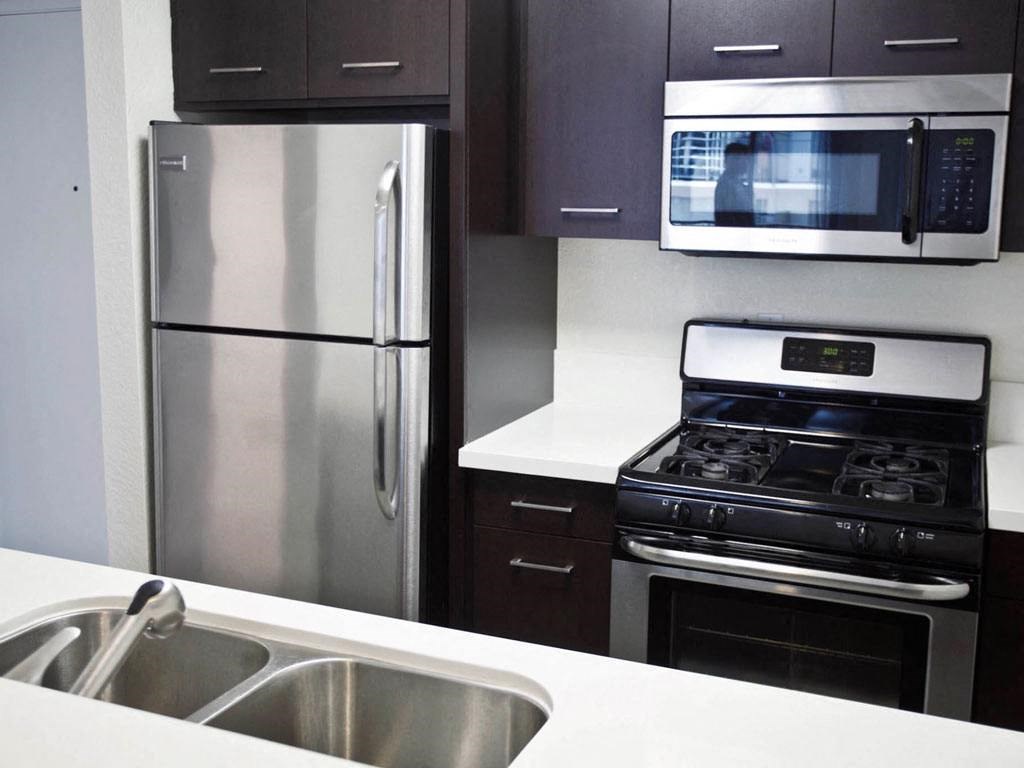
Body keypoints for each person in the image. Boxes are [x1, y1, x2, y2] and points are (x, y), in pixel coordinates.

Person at [714, 142, 755, 226]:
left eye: (747, 159)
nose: (746, 163)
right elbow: (730, 218)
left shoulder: (737, 183)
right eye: (741, 159)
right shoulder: (726, 184)